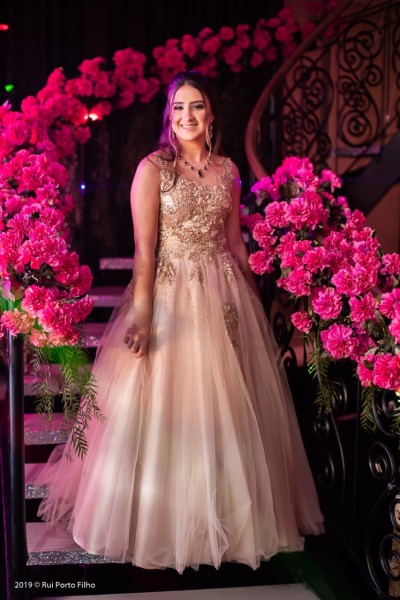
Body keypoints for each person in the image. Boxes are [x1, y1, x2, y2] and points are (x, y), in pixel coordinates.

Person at [37, 70, 324, 574]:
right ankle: (163, 520)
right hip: (172, 294)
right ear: (168, 116)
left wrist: (256, 304)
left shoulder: (229, 170)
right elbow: (144, 252)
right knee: (169, 406)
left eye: (196, 106)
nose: (187, 116)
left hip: (224, 294)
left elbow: (235, 243)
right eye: (178, 107)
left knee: (229, 409)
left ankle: (228, 519)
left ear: (211, 114)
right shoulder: (153, 169)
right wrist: (144, 317)